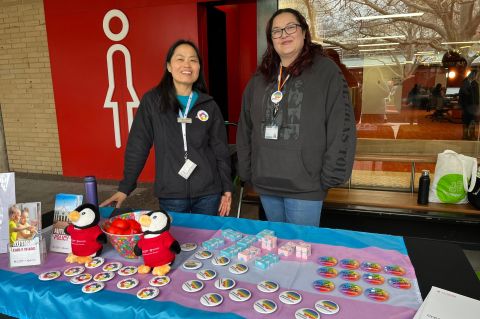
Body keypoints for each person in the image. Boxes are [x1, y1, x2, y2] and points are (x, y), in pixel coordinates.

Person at [236, 8, 356, 226]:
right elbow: (245, 126)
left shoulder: (326, 72)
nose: (284, 34)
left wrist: (330, 175)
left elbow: (342, 125)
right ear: (270, 39)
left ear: (304, 32)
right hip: (267, 182)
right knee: (278, 247)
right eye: (277, 31)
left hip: (306, 186)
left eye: (291, 27)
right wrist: (247, 170)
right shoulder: (261, 76)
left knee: (301, 252)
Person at [101, 40, 232, 216]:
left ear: (199, 67)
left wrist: (227, 188)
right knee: (174, 241)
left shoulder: (209, 105)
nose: (187, 64)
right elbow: (138, 145)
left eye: (193, 60)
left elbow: (220, 150)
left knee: (207, 242)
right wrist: (125, 188)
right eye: (180, 59)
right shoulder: (153, 101)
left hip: (208, 192)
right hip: (172, 194)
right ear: (169, 66)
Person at [459, 70, 479, 139]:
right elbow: (461, 94)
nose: (477, 77)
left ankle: (469, 135)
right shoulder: (468, 82)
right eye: (477, 75)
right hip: (468, 106)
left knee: (470, 121)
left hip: (470, 106)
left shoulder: (472, 83)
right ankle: (467, 135)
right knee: (468, 121)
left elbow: (476, 96)